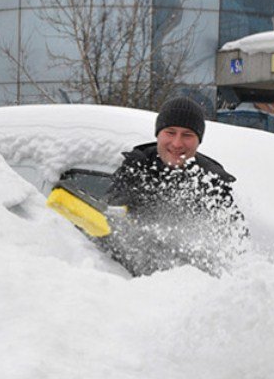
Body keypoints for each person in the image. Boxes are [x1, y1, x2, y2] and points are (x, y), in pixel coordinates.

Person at [104, 96, 247, 275]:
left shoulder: (212, 182)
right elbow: (109, 221)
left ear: (198, 140)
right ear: (158, 134)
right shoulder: (136, 168)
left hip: (193, 285)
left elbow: (233, 243)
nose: (177, 143)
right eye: (170, 132)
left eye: (187, 135)